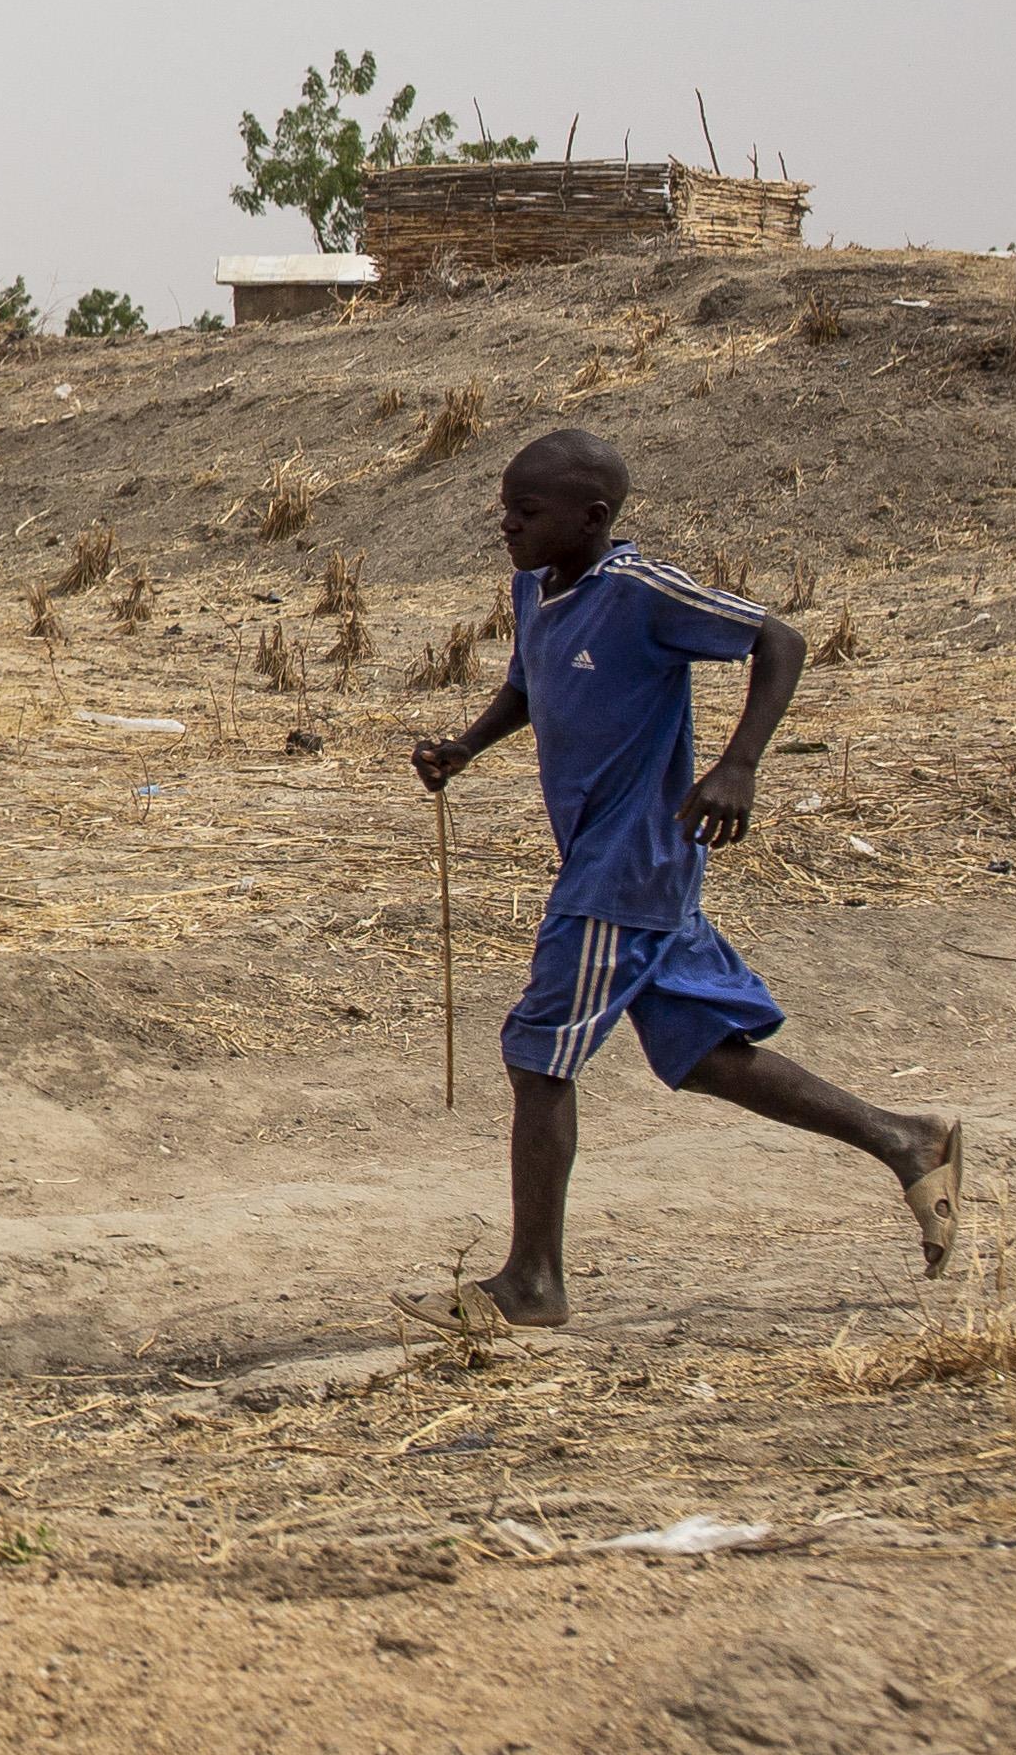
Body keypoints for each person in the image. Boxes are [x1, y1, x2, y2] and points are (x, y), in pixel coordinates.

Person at [402, 426, 963, 1331]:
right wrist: (464, 747)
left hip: (626, 866)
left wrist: (738, 765)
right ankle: (907, 1140)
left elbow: (779, 640)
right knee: (704, 1055)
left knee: (536, 1054)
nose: (503, 523)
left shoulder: (640, 591)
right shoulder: (534, 587)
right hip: (619, 862)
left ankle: (531, 1284)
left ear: (590, 519)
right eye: (504, 505)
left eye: (525, 510)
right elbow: (527, 684)